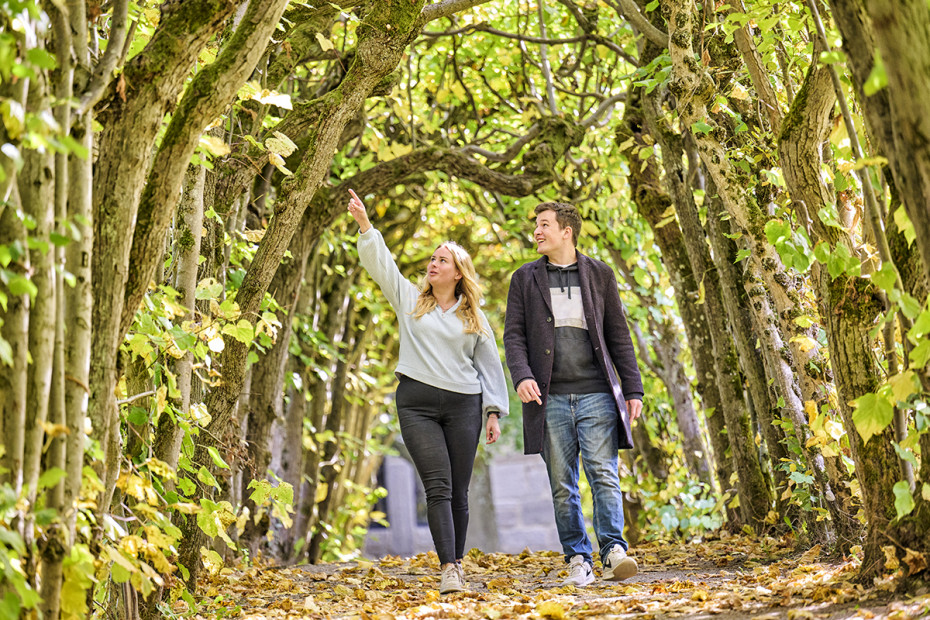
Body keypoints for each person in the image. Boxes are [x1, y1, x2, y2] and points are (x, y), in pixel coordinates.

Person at [347, 189, 508, 595]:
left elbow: (490, 367)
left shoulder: (474, 317)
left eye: (442, 260)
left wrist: (493, 412)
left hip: (464, 406)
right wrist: (366, 225)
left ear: (458, 273)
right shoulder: (410, 302)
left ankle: (457, 560)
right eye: (432, 259)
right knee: (436, 485)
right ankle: (449, 567)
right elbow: (382, 266)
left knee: (458, 489)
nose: (432, 264)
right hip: (416, 403)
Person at [503, 202, 644, 587]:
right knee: (562, 483)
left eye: (544, 225)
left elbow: (618, 335)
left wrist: (632, 389)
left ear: (567, 231)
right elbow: (513, 335)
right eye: (536, 225)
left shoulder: (600, 274)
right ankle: (578, 557)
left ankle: (614, 551)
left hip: (597, 392)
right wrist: (521, 376)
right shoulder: (524, 279)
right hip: (549, 399)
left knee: (604, 474)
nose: (537, 231)